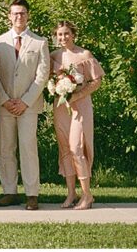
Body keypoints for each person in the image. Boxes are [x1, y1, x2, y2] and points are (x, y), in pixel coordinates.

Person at [0, 0, 50, 210]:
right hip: (4, 104)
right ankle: (9, 191)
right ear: (9, 16)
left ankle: (32, 193)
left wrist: (25, 102)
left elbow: (42, 76)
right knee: (5, 149)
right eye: (15, 13)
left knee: (28, 147)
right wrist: (5, 100)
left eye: (22, 13)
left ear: (28, 16)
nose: (19, 17)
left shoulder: (39, 42)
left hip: (29, 106)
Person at [50, 20, 104, 210]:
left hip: (80, 105)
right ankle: (71, 193)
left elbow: (96, 81)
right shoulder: (54, 56)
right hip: (61, 106)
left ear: (73, 34)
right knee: (65, 148)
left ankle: (87, 195)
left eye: (66, 34)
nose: (63, 38)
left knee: (76, 147)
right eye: (59, 35)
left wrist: (78, 95)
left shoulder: (84, 54)